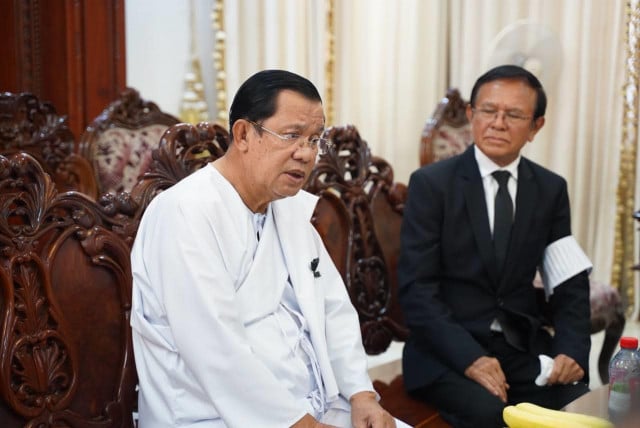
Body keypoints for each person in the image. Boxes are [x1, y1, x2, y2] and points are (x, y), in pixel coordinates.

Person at [130, 69, 405, 428]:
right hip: (216, 416)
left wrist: (361, 395)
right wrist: (300, 423)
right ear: (243, 134)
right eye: (292, 136)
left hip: (316, 404)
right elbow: (217, 351)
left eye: (314, 140)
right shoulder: (184, 214)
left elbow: (332, 308)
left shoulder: (286, 207)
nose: (306, 154)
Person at [397, 65, 592, 428]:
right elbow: (416, 290)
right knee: (496, 416)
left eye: (514, 114)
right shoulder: (432, 185)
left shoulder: (549, 189)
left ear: (536, 127)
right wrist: (471, 358)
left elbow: (568, 282)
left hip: (518, 349)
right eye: (488, 111)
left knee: (581, 402)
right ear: (472, 115)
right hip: (446, 351)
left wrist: (572, 349)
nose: (498, 123)